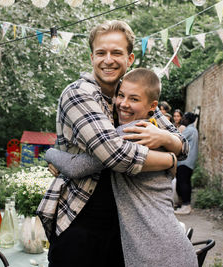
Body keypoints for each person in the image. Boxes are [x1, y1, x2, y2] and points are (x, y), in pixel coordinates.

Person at [36, 20, 189, 267]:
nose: (109, 60)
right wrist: (168, 158)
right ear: (92, 57)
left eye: (116, 53)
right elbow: (117, 155)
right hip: (80, 221)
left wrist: (167, 139)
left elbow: (183, 146)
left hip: (125, 226)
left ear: (129, 58)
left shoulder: (132, 92)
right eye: (101, 53)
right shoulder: (79, 94)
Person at [174, 112, 199, 215]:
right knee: (184, 183)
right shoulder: (193, 130)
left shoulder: (189, 130)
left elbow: (177, 139)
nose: (182, 119)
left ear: (188, 120)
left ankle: (186, 206)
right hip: (188, 161)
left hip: (185, 161)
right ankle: (183, 204)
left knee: (183, 183)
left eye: (184, 117)